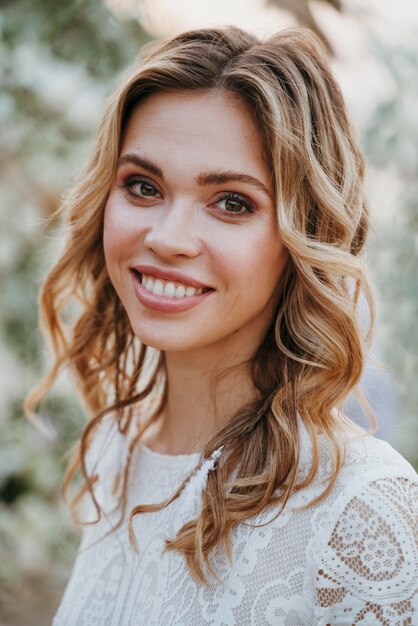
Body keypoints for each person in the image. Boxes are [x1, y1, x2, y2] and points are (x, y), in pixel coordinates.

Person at [26, 26, 417, 625]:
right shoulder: (117, 450)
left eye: (232, 202)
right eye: (142, 186)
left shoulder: (361, 511)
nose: (166, 238)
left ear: (303, 239)